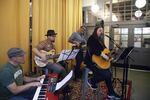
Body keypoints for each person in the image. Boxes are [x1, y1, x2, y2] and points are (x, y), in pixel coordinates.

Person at [84, 25, 120, 99]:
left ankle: (111, 93)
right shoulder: (91, 38)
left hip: (99, 62)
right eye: (100, 30)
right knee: (107, 75)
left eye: (102, 31)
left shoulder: (100, 40)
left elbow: (105, 50)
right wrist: (103, 55)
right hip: (91, 61)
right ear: (95, 30)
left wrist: (111, 53)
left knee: (108, 74)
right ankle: (91, 80)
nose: (101, 32)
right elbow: (94, 50)